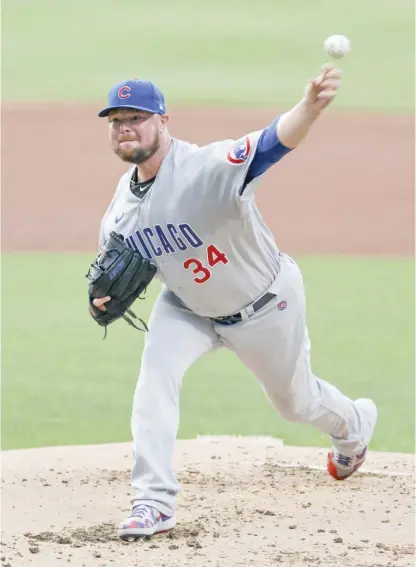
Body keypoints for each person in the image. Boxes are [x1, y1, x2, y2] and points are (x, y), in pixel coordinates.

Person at [91, 64, 377, 540]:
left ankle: (353, 427)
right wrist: (102, 300)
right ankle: (153, 502)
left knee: (295, 402)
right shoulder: (121, 206)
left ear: (163, 121)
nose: (125, 127)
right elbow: (110, 269)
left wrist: (306, 108)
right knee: (154, 380)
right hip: (186, 307)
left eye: (136, 117)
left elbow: (271, 144)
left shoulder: (206, 167)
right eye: (116, 120)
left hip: (264, 304)